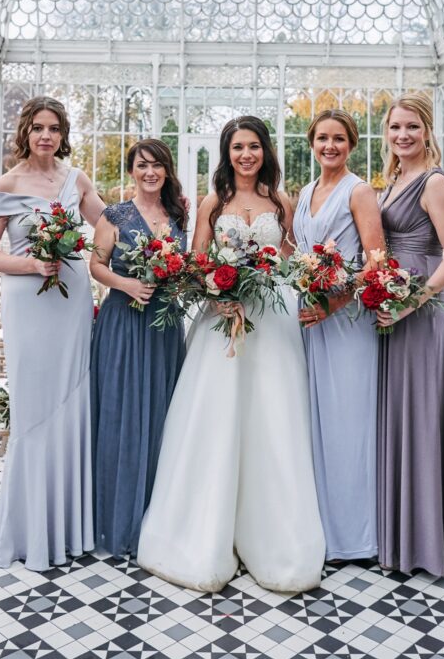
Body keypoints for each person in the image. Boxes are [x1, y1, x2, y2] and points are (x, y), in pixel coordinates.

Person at [137, 116, 325, 592]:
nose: (246, 155)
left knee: (272, 419)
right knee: (216, 419)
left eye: (254, 146)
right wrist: (216, 292)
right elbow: (197, 261)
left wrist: (296, 277)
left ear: (265, 152)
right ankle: (205, 532)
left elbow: (290, 260)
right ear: (227, 153)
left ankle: (272, 536)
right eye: (238, 147)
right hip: (222, 322)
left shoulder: (280, 202)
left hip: (272, 322)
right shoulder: (213, 202)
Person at [0, 96, 106, 570]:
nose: (46, 135)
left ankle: (70, 524)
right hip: (28, 302)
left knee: (73, 398)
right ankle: (29, 525)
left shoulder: (76, 179)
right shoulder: (7, 183)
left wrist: (165, 208)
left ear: (63, 134)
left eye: (53, 128)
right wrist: (31, 263)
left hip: (71, 301)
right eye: (38, 128)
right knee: (35, 404)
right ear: (25, 133)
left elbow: (111, 225)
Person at [377, 92, 444, 576]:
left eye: (412, 126)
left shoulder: (435, 182)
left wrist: (410, 303)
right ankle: (397, 534)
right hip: (391, 308)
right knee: (397, 416)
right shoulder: (393, 180)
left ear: (428, 130)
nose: (403, 135)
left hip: (421, 312)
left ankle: (426, 544)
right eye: (396, 127)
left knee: (419, 417)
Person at [294, 109, 386, 563]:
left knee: (348, 424)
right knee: (317, 425)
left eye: (339, 139)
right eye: (322, 138)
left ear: (351, 144)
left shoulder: (359, 191)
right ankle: (322, 529)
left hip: (346, 323)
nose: (329, 146)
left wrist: (333, 303)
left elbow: (376, 261)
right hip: (310, 322)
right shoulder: (306, 192)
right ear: (312, 143)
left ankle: (356, 537)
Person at [89, 139, 187, 558]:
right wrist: (127, 284)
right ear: (131, 171)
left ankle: (157, 515)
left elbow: (186, 265)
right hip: (124, 324)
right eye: (142, 165)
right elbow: (96, 265)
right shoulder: (114, 215)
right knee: (122, 413)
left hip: (164, 325)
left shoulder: (177, 215)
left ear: (166, 170)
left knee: (162, 413)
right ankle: (118, 516)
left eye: (157, 165)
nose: (150, 172)